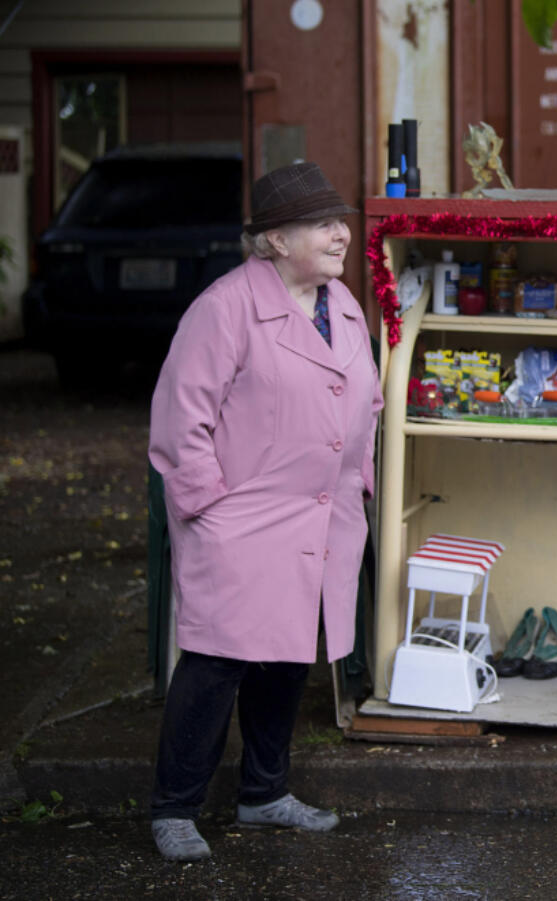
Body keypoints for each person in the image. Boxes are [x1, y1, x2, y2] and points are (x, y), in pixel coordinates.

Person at [147, 161, 384, 861]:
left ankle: (264, 792)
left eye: (340, 220)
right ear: (275, 240)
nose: (342, 233)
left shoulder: (340, 302)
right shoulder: (223, 308)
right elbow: (178, 421)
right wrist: (208, 510)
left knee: (286, 656)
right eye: (322, 223)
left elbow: (365, 399)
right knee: (217, 660)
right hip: (241, 517)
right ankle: (174, 806)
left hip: (321, 514)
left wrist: (359, 478)